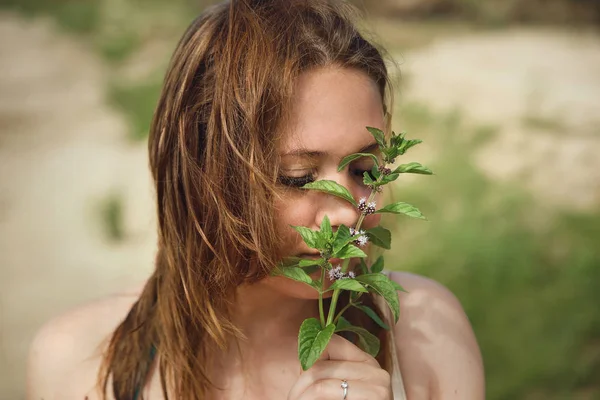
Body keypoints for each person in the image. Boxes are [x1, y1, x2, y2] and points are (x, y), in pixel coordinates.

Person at [26, 0, 485, 399]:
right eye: (299, 177)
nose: (349, 211)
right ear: (201, 173)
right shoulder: (80, 363)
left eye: (364, 170)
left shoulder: (427, 335)